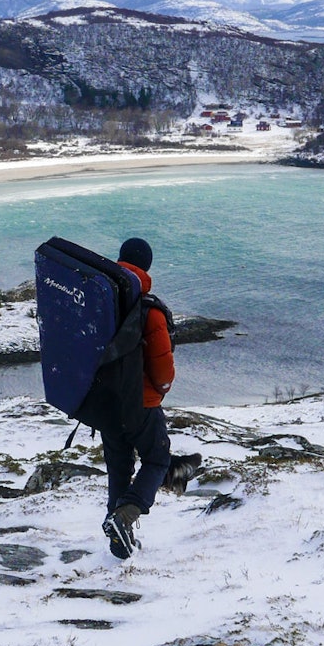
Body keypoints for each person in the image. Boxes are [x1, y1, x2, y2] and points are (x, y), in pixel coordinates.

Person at [100, 237, 191, 559]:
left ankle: (118, 543)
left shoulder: (100, 299)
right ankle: (125, 517)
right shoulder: (148, 309)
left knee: (119, 467)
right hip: (141, 403)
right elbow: (162, 367)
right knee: (157, 459)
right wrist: (162, 389)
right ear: (147, 267)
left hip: (104, 401)